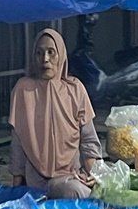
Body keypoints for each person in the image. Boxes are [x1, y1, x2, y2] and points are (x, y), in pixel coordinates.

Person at [9, 28, 102, 199]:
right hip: (35, 182)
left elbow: (88, 140)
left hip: (69, 177)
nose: (45, 59)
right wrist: (15, 191)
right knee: (73, 193)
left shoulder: (75, 89)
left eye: (51, 52)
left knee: (85, 194)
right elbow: (18, 142)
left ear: (61, 56)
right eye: (39, 53)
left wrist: (94, 176)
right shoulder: (23, 90)